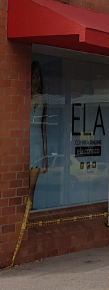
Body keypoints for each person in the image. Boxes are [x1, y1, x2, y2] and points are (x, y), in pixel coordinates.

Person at [29, 60, 48, 206]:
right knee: (22, 186)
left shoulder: (43, 99)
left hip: (37, 145)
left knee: (32, 187)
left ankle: (27, 219)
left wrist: (45, 156)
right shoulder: (25, 98)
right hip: (25, 143)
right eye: (33, 76)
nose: (36, 80)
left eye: (38, 76)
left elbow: (44, 128)